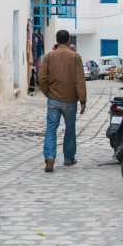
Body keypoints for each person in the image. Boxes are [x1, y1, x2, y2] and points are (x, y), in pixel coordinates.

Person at [38, 29, 87, 172]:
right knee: (70, 129)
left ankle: (50, 156)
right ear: (68, 41)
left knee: (51, 129)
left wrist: (48, 92)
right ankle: (69, 158)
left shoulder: (49, 56)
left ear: (56, 40)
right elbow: (80, 80)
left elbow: (42, 77)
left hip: (54, 98)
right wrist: (82, 100)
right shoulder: (75, 57)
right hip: (70, 100)